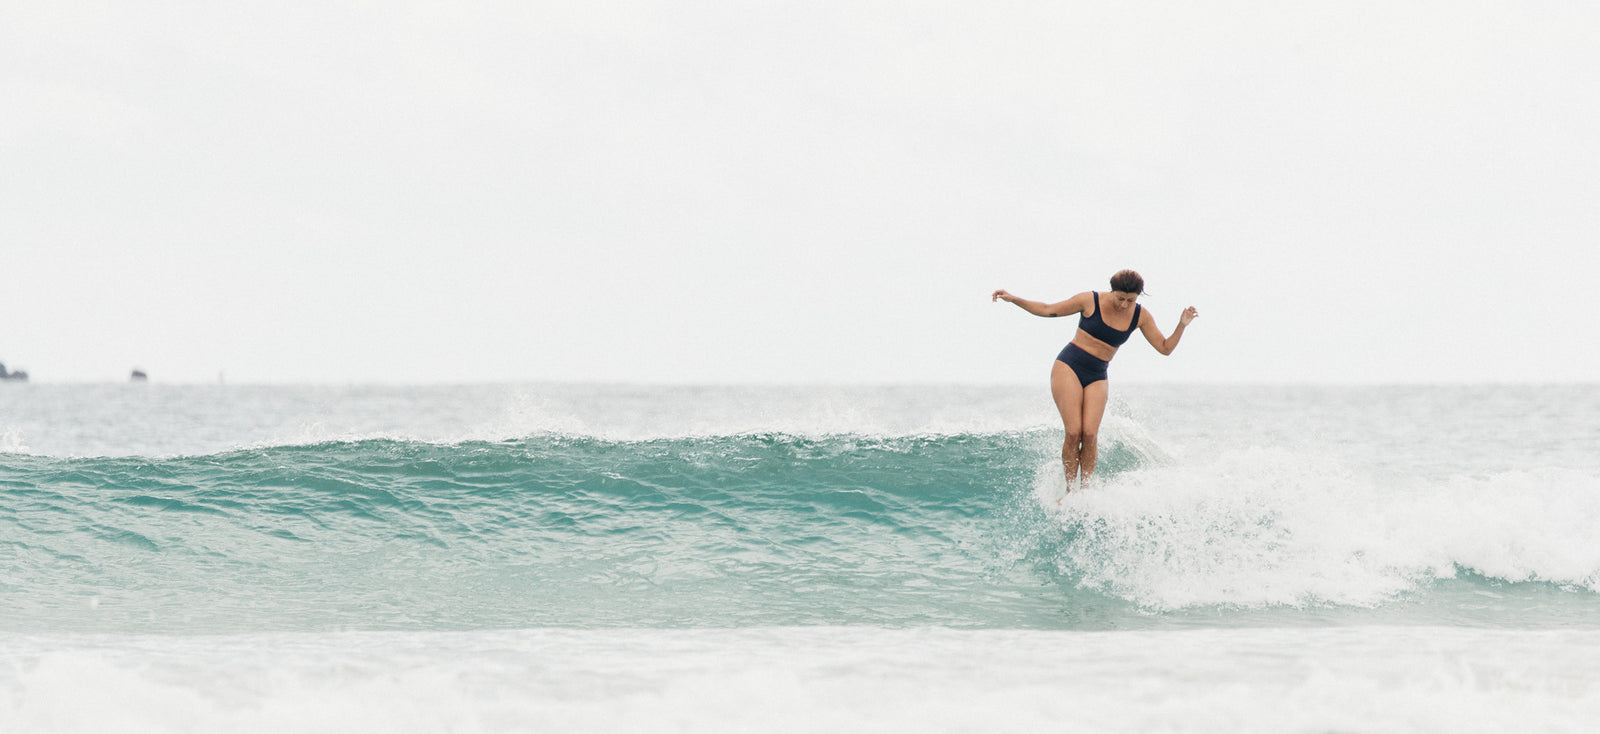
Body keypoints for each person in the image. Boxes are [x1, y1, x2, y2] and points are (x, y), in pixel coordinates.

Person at [992, 270, 1198, 490]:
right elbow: (1047, 310)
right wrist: (1014, 299)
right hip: (1069, 366)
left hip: (1098, 373)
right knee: (1073, 432)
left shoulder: (1141, 316)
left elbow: (1164, 348)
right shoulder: (1089, 301)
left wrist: (1182, 325)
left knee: (1089, 434)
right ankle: (1070, 490)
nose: (1124, 305)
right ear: (1112, 291)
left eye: (1131, 300)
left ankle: (1085, 490)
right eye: (1120, 298)